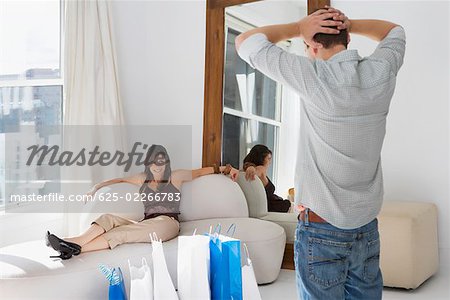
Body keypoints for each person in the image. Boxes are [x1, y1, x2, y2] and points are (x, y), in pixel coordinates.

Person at [236, 5, 405, 300]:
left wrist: (298, 26)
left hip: (321, 227)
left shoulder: (310, 76)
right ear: (349, 39)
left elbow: (245, 42)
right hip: (365, 226)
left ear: (311, 45)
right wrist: (347, 23)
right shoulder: (381, 71)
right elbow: (395, 31)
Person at [46, 144, 239, 260]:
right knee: (108, 218)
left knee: (123, 233)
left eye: (161, 161)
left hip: (167, 224)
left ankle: (75, 247)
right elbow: (119, 180)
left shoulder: (176, 176)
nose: (157, 166)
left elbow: (202, 171)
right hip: (147, 224)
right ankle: (73, 243)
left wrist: (227, 169)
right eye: (154, 161)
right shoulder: (141, 179)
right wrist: (96, 186)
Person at [243, 144, 291, 212]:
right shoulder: (260, 169)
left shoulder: (245, 171)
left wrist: (249, 167)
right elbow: (255, 172)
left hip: (275, 205)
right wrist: (250, 168)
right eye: (268, 159)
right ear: (261, 159)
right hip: (275, 207)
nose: (270, 162)